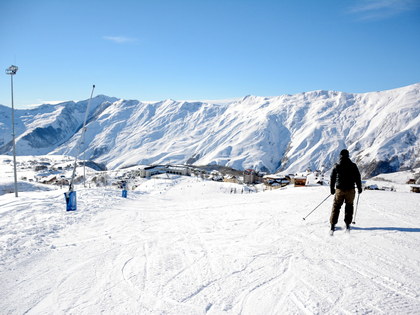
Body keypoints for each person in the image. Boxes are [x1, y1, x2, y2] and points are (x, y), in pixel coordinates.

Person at [330, 149, 362, 232]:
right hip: (350, 190)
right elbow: (357, 177)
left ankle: (333, 225)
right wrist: (359, 188)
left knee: (336, 206)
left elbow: (332, 178)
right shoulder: (353, 165)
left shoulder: (336, 165)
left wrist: (332, 189)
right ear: (348, 156)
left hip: (339, 190)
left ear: (340, 156)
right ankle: (347, 224)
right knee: (349, 206)